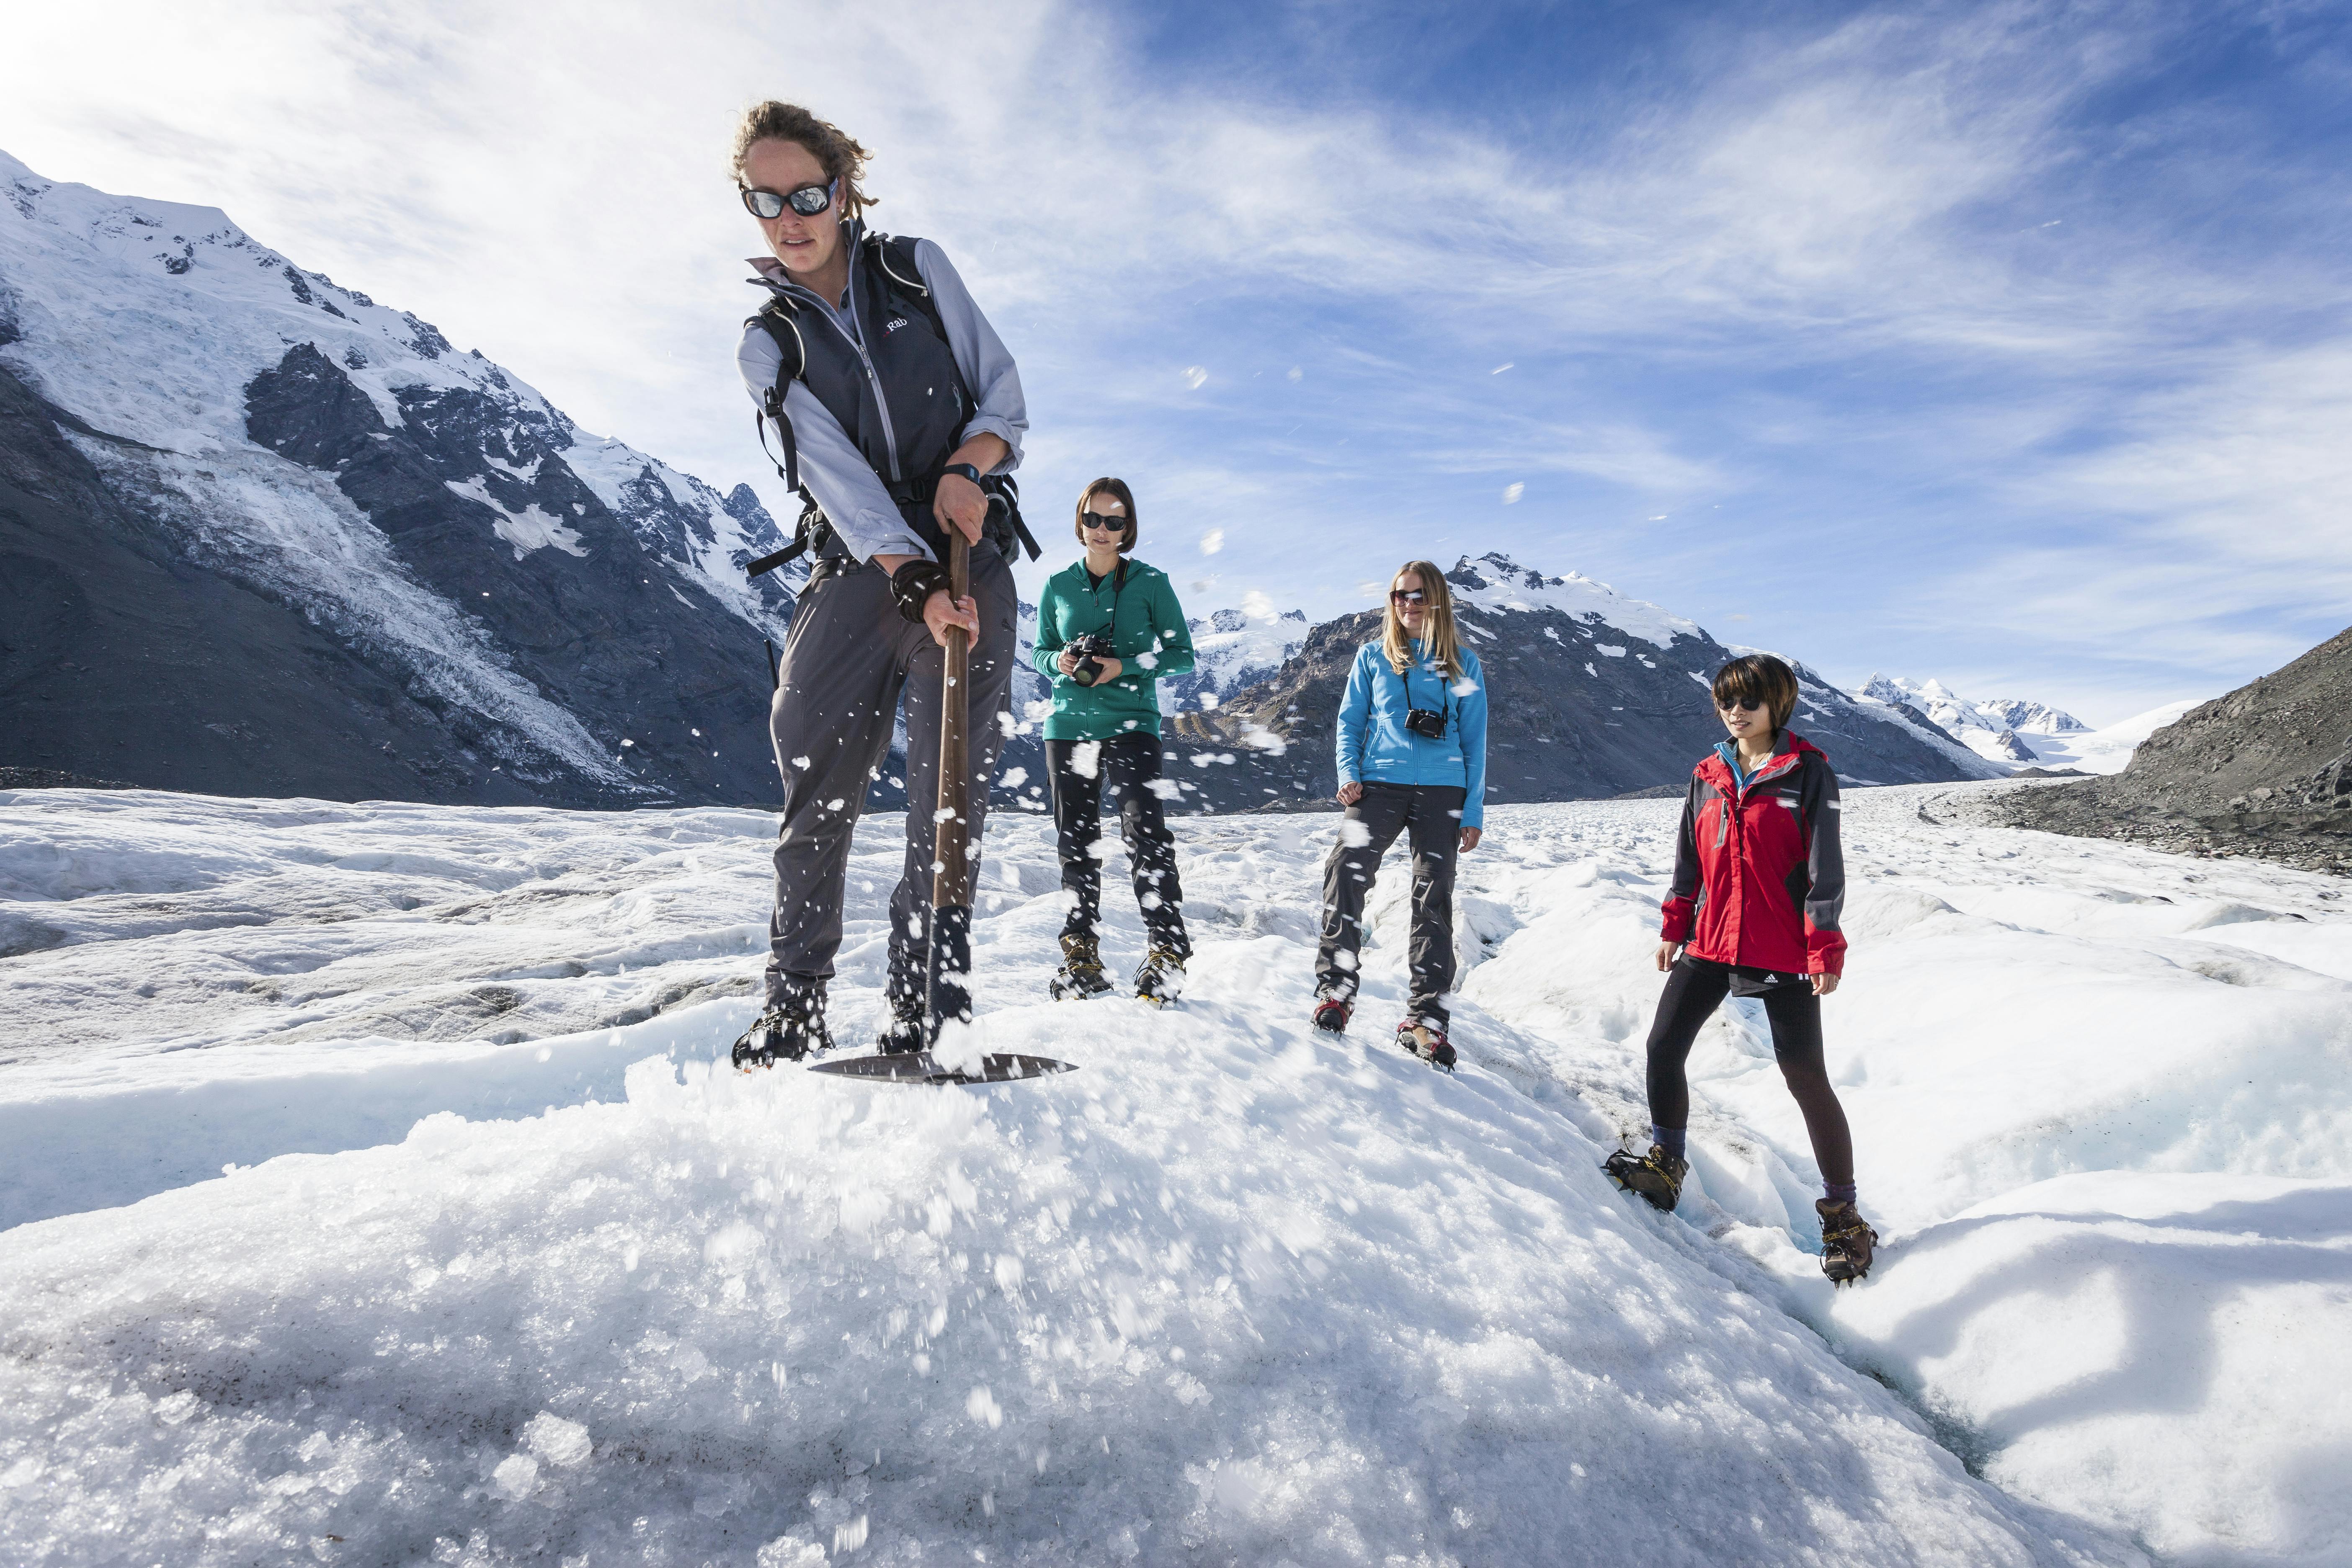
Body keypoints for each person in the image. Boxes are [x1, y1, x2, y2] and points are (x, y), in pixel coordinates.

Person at [725, 101, 1028, 1066]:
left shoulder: (915, 269)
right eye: (764, 199)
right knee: (815, 788)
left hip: (966, 546)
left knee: (949, 802)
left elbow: (1004, 397)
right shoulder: (769, 341)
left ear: (842, 188)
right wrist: (906, 581)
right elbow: (837, 480)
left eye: (806, 192)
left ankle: (926, 1003)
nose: (789, 215)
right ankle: (796, 1005)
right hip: (860, 571)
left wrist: (969, 469)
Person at [1604, 653, 1878, 1283]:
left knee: (1805, 1076)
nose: (1736, 711)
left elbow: (1823, 868)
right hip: (1710, 940)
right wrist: (1677, 924)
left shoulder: (1808, 773)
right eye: (1727, 700)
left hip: (1781, 945)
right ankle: (1668, 1163)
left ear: (1777, 704)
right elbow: (1688, 859)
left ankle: (1845, 1218)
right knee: (1663, 1047)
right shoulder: (1707, 773)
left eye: (1749, 700)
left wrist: (1824, 946)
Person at [1312, 561, 1488, 1068]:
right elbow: (1349, 723)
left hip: (1443, 790)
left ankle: (1427, 1019)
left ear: (1437, 601)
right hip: (1379, 785)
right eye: (1399, 596)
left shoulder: (1463, 665)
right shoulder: (1372, 658)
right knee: (1345, 872)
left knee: (1434, 897)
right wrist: (1348, 773)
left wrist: (1472, 809)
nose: (1408, 605)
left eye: (1418, 596)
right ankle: (1335, 993)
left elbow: (1475, 742)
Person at [1030, 480, 1197, 1004]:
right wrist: (1057, 661)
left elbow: (1181, 656)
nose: (1102, 531)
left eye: (1115, 521)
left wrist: (1122, 667)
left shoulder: (1151, 583)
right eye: (1093, 519)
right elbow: (1039, 652)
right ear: (1079, 522)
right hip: (1068, 727)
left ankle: (1167, 951)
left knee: (1146, 834)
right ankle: (1080, 954)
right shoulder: (1056, 585)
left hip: (1133, 725)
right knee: (1076, 844)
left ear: (1129, 528)